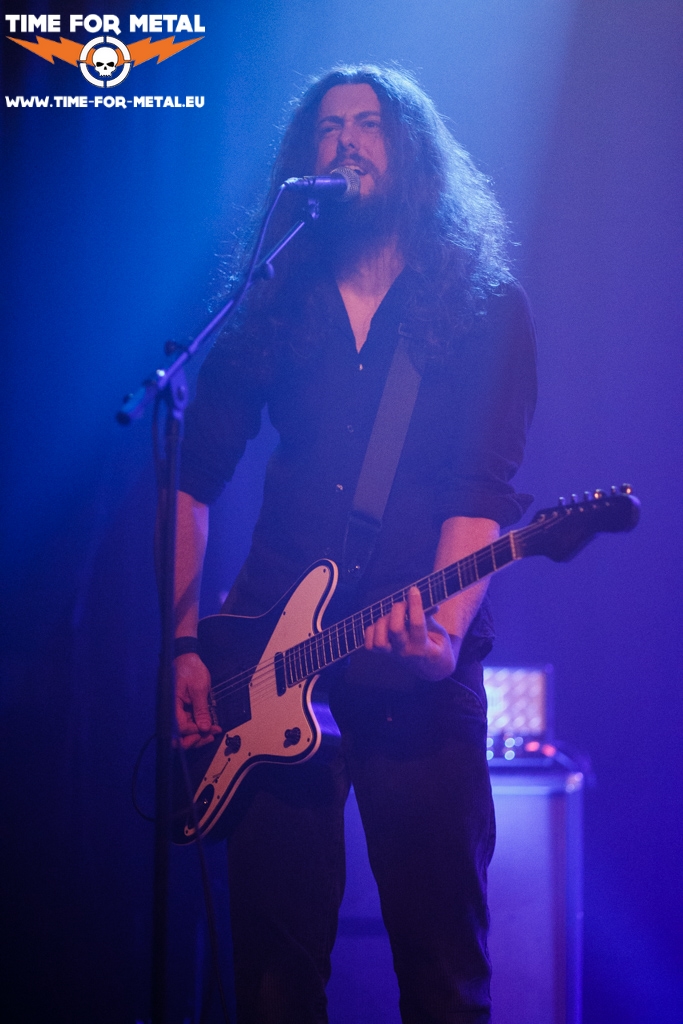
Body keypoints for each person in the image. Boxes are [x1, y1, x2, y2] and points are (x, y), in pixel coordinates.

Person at [174, 65, 537, 1024]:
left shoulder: (480, 306)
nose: (345, 140)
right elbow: (192, 477)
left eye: (369, 123)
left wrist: (442, 638)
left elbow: (480, 489)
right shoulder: (270, 299)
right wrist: (181, 646)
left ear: (409, 150)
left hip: (413, 657)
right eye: (328, 125)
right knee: (272, 978)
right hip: (266, 655)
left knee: (442, 972)